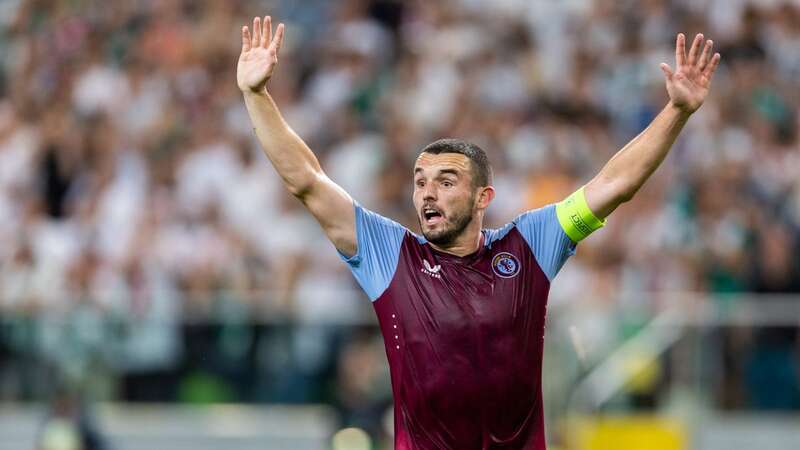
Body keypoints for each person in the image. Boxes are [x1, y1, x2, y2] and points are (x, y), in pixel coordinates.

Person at [237, 16, 720, 450]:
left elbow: (614, 184)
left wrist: (676, 111)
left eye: (446, 182)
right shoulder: (390, 254)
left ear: (483, 197)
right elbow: (307, 181)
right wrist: (256, 96)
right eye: (420, 182)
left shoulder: (531, 244)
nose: (428, 194)